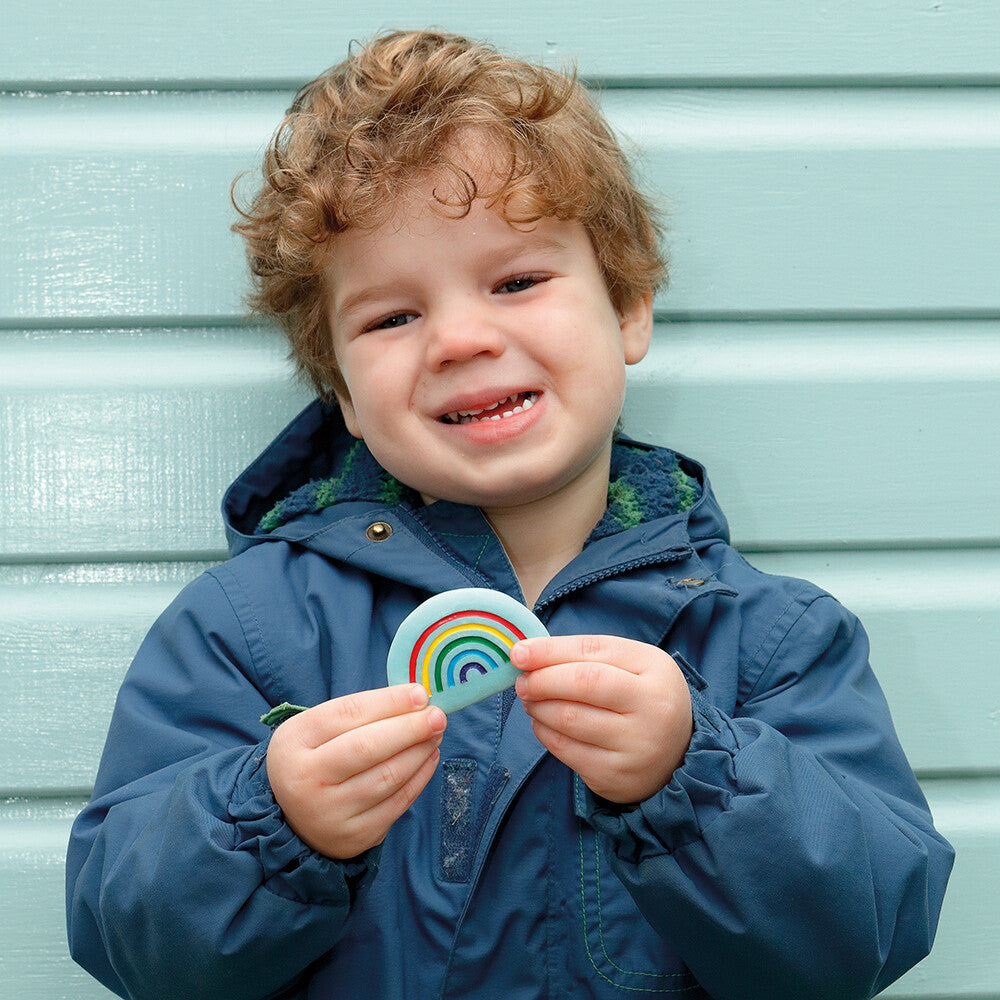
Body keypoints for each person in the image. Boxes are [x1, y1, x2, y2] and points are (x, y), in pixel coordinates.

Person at [66, 29, 953, 1000]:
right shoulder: (245, 629)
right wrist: (274, 822)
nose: (459, 337)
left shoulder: (770, 639)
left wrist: (693, 772)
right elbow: (130, 941)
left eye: (517, 281)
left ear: (627, 308)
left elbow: (864, 937)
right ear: (345, 396)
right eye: (392, 316)